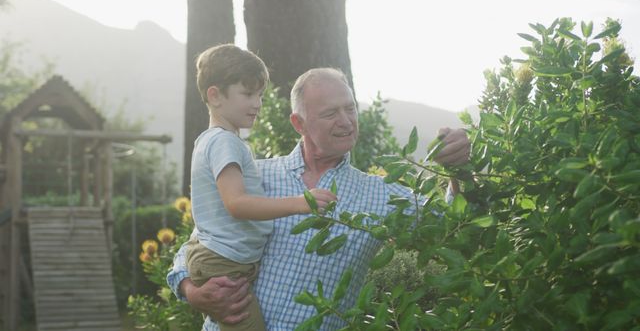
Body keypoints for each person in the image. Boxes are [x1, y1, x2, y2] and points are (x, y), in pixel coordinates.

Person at [168, 67, 471, 330]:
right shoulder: (253, 177)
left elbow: (454, 224)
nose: (346, 121)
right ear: (298, 124)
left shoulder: (383, 194)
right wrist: (191, 290)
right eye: (330, 113)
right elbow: (197, 243)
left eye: (350, 109)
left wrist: (459, 171)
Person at [186, 45, 337, 331]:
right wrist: (301, 202)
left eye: (260, 95)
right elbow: (237, 204)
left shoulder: (215, 141)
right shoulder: (224, 142)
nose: (257, 104)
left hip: (225, 259)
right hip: (224, 264)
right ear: (215, 95)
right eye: (247, 94)